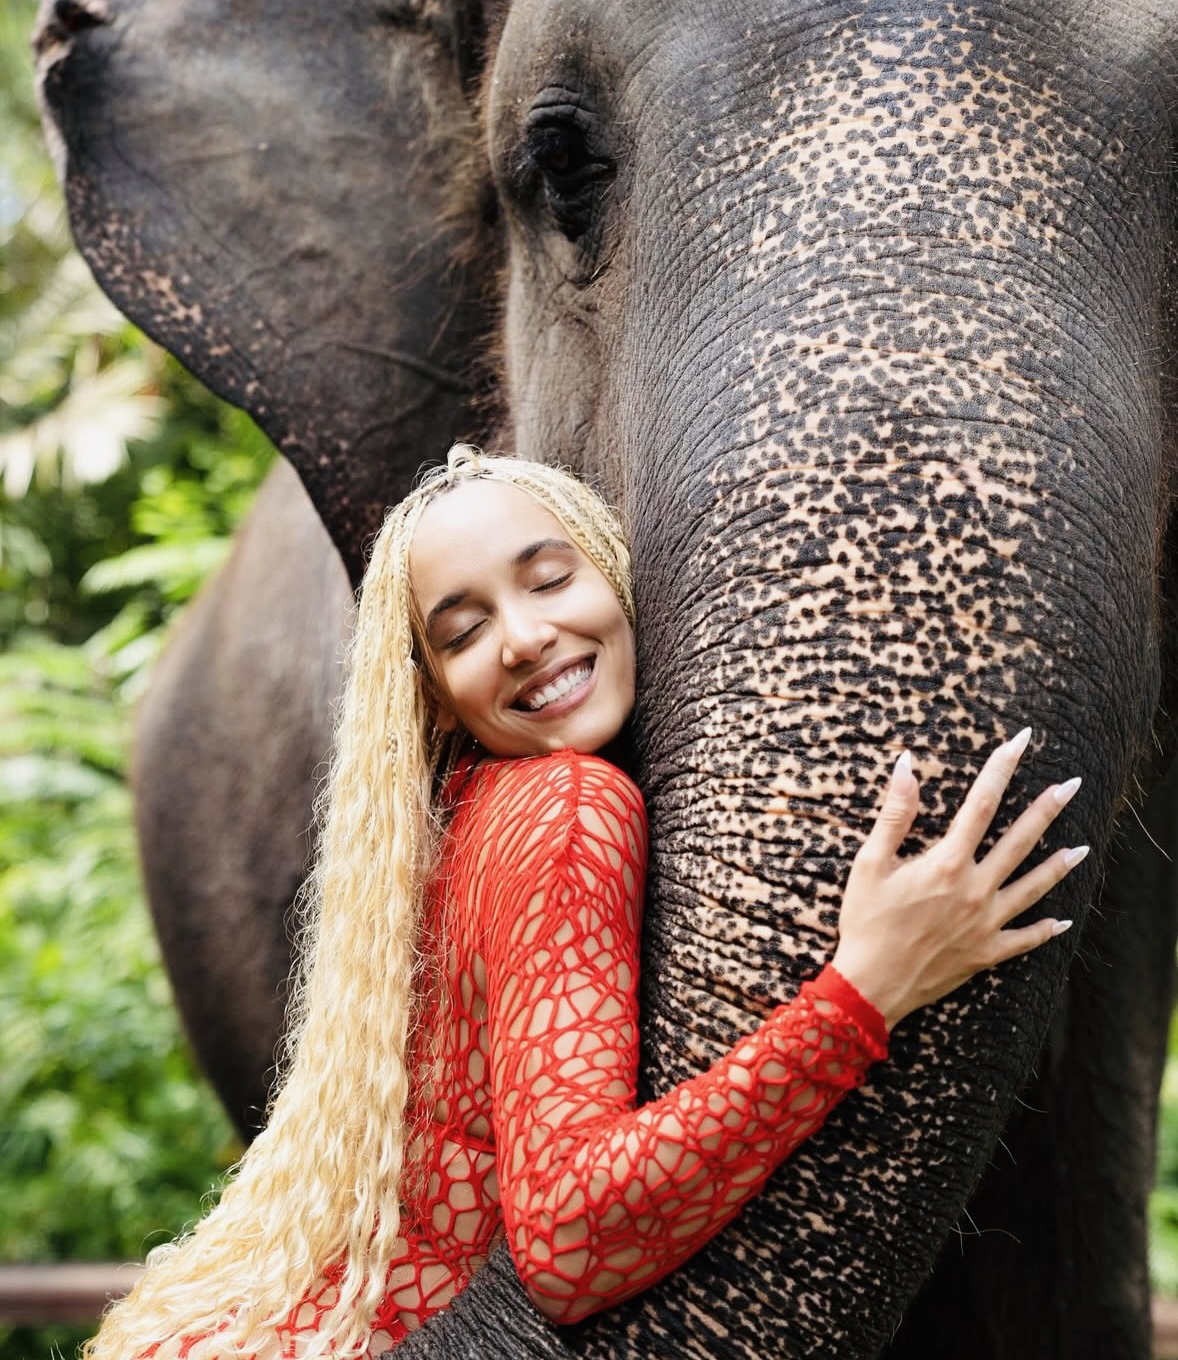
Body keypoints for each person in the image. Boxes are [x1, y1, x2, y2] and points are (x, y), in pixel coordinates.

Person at [86, 445, 1084, 1360]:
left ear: (613, 572)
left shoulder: (459, 821)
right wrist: (863, 989)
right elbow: (569, 1237)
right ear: (432, 691)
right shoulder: (567, 805)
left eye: (549, 576)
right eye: (464, 629)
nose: (523, 636)